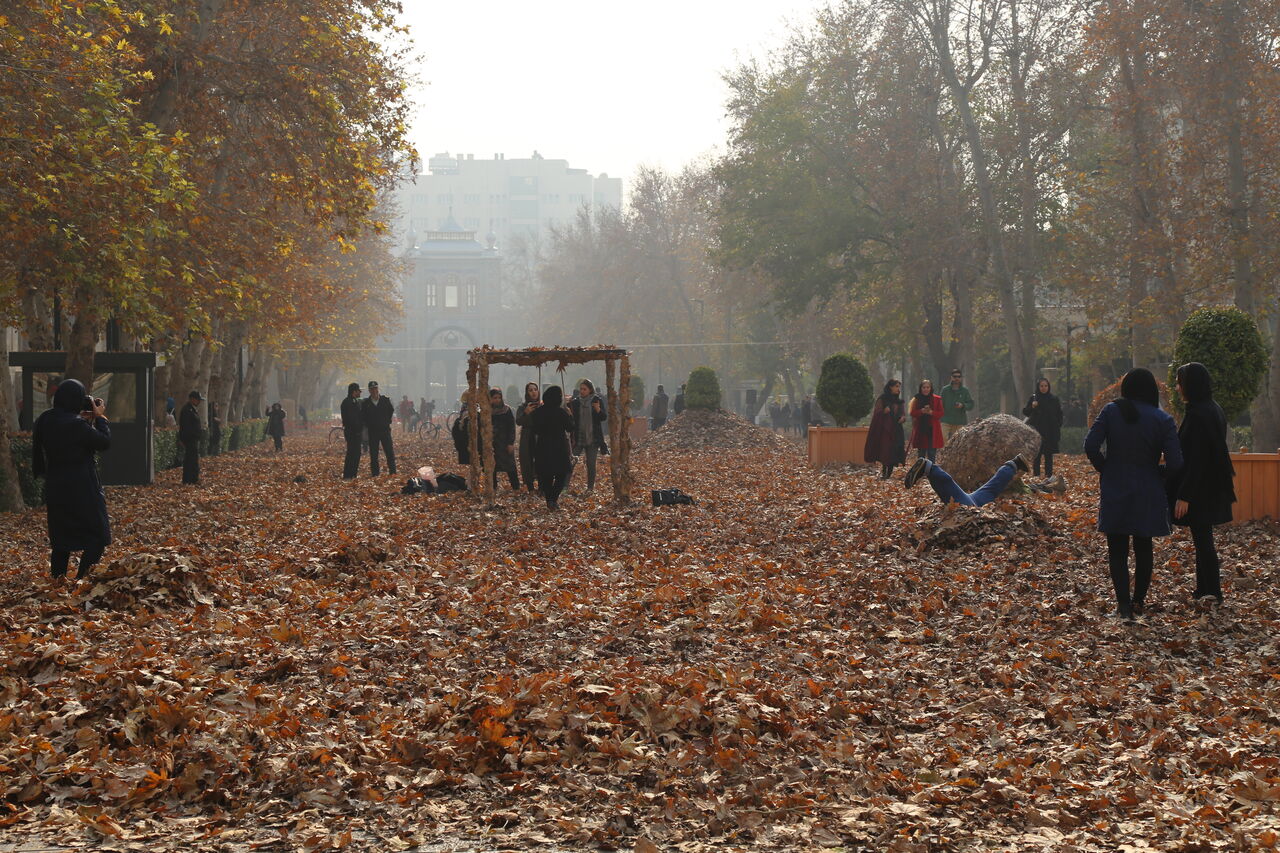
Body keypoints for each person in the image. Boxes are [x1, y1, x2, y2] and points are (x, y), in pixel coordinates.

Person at [1085, 368, 1183, 622]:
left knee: (1117, 548)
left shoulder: (1111, 411)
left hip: (1116, 485)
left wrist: (1105, 468)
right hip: (1148, 487)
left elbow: (1090, 444)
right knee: (1144, 545)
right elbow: (1176, 463)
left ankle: (1123, 605)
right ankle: (1139, 600)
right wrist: (1159, 472)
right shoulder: (1162, 419)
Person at [1168, 362, 1235, 607]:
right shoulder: (1211, 408)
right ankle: (1204, 589)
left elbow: (1197, 459)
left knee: (1204, 540)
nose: (1177, 388)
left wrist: (1185, 494)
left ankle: (1212, 591)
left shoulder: (1198, 414)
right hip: (1212, 484)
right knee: (1202, 538)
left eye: (1179, 382)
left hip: (1201, 488)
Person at [31, 380, 111, 581]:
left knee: (61, 539)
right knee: (98, 536)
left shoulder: (45, 419)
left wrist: (82, 420)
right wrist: (100, 418)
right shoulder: (76, 425)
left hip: (56, 485)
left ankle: (57, 583)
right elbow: (103, 441)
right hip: (83, 486)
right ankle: (81, 580)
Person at [905, 453, 1031, 506]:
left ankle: (930, 469)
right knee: (965, 501)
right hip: (976, 503)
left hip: (977, 501)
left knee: (990, 491)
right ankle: (929, 469)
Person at [529, 385, 575, 510]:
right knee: (562, 474)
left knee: (546, 476)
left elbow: (535, 430)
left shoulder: (538, 412)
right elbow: (570, 427)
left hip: (543, 447)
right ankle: (553, 499)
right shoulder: (561, 412)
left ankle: (550, 500)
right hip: (559, 447)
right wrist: (570, 415)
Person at [569, 379, 607, 492]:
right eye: (580, 389)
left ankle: (590, 488)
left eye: (584, 389)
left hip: (592, 438)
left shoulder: (597, 400)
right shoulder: (575, 402)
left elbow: (603, 417)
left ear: (590, 390)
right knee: (570, 462)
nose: (582, 391)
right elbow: (570, 418)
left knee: (591, 464)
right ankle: (564, 486)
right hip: (578, 438)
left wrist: (598, 409)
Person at [865, 380, 907, 479]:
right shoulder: (882, 399)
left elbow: (902, 413)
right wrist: (883, 411)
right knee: (885, 451)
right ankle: (884, 473)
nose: (898, 389)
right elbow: (876, 413)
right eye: (896, 386)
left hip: (896, 429)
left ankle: (889, 474)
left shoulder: (898, 401)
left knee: (894, 451)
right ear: (890, 387)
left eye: (899, 387)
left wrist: (903, 418)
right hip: (885, 430)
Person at [1023, 377, 1064, 478]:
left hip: (1050, 430)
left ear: (1048, 387)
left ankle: (1048, 476)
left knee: (1048, 455)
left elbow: (1059, 414)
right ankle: (1036, 476)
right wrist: (1032, 406)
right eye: (1041, 386)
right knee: (1037, 455)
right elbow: (1026, 412)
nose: (1044, 388)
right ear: (1038, 386)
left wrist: (1057, 425)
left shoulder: (1053, 399)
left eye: (1045, 386)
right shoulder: (1034, 398)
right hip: (1037, 431)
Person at [362, 380, 396, 475]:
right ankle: (375, 474)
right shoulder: (366, 403)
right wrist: (369, 424)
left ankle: (393, 472)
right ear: (369, 390)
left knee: (389, 452)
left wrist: (387, 421)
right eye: (372, 389)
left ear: (378, 389)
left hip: (385, 430)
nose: (374, 391)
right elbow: (364, 416)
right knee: (373, 454)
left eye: (375, 388)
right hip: (373, 432)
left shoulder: (385, 400)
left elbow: (391, 411)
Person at [489, 388, 519, 491]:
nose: (497, 400)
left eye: (499, 398)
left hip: (505, 443)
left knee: (510, 467)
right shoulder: (487, 411)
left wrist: (510, 442)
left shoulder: (507, 410)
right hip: (492, 444)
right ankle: (492, 488)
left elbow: (511, 427)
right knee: (491, 467)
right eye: (494, 398)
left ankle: (516, 487)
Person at [908, 380, 944, 462]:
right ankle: (920, 472)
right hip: (921, 430)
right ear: (920, 388)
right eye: (924, 387)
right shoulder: (916, 399)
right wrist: (921, 411)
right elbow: (912, 412)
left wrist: (931, 412)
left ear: (931, 388)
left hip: (932, 430)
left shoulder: (937, 399)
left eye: (928, 387)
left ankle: (931, 472)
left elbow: (941, 413)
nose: (926, 389)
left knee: (932, 454)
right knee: (921, 454)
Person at [516, 382, 542, 493]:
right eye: (530, 390)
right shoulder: (522, 407)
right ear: (527, 392)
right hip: (527, 436)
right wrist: (526, 413)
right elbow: (518, 421)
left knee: (541, 460)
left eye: (535, 389)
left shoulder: (542, 405)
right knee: (527, 460)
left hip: (540, 436)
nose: (533, 392)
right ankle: (530, 487)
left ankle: (542, 486)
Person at [940, 369, 975, 442]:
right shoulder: (945, 390)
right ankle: (944, 452)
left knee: (958, 441)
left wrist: (963, 405)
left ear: (961, 378)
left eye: (959, 377)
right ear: (951, 377)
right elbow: (940, 404)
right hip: (946, 419)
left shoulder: (965, 391)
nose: (956, 378)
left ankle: (952, 453)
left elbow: (971, 404)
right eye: (955, 376)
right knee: (942, 438)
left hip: (959, 421)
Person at [178, 390, 204, 485]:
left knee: (193, 460)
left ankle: (193, 478)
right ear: (192, 399)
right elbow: (185, 426)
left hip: (193, 439)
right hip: (190, 439)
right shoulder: (187, 410)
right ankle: (188, 479)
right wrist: (183, 439)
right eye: (198, 400)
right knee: (190, 460)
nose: (199, 402)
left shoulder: (191, 409)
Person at [340, 382, 363, 479]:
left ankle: (352, 474)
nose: (360, 393)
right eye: (358, 391)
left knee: (355, 453)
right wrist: (357, 429)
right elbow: (352, 419)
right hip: (352, 431)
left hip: (354, 431)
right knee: (352, 453)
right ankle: (349, 474)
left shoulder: (353, 401)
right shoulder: (348, 403)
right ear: (354, 391)